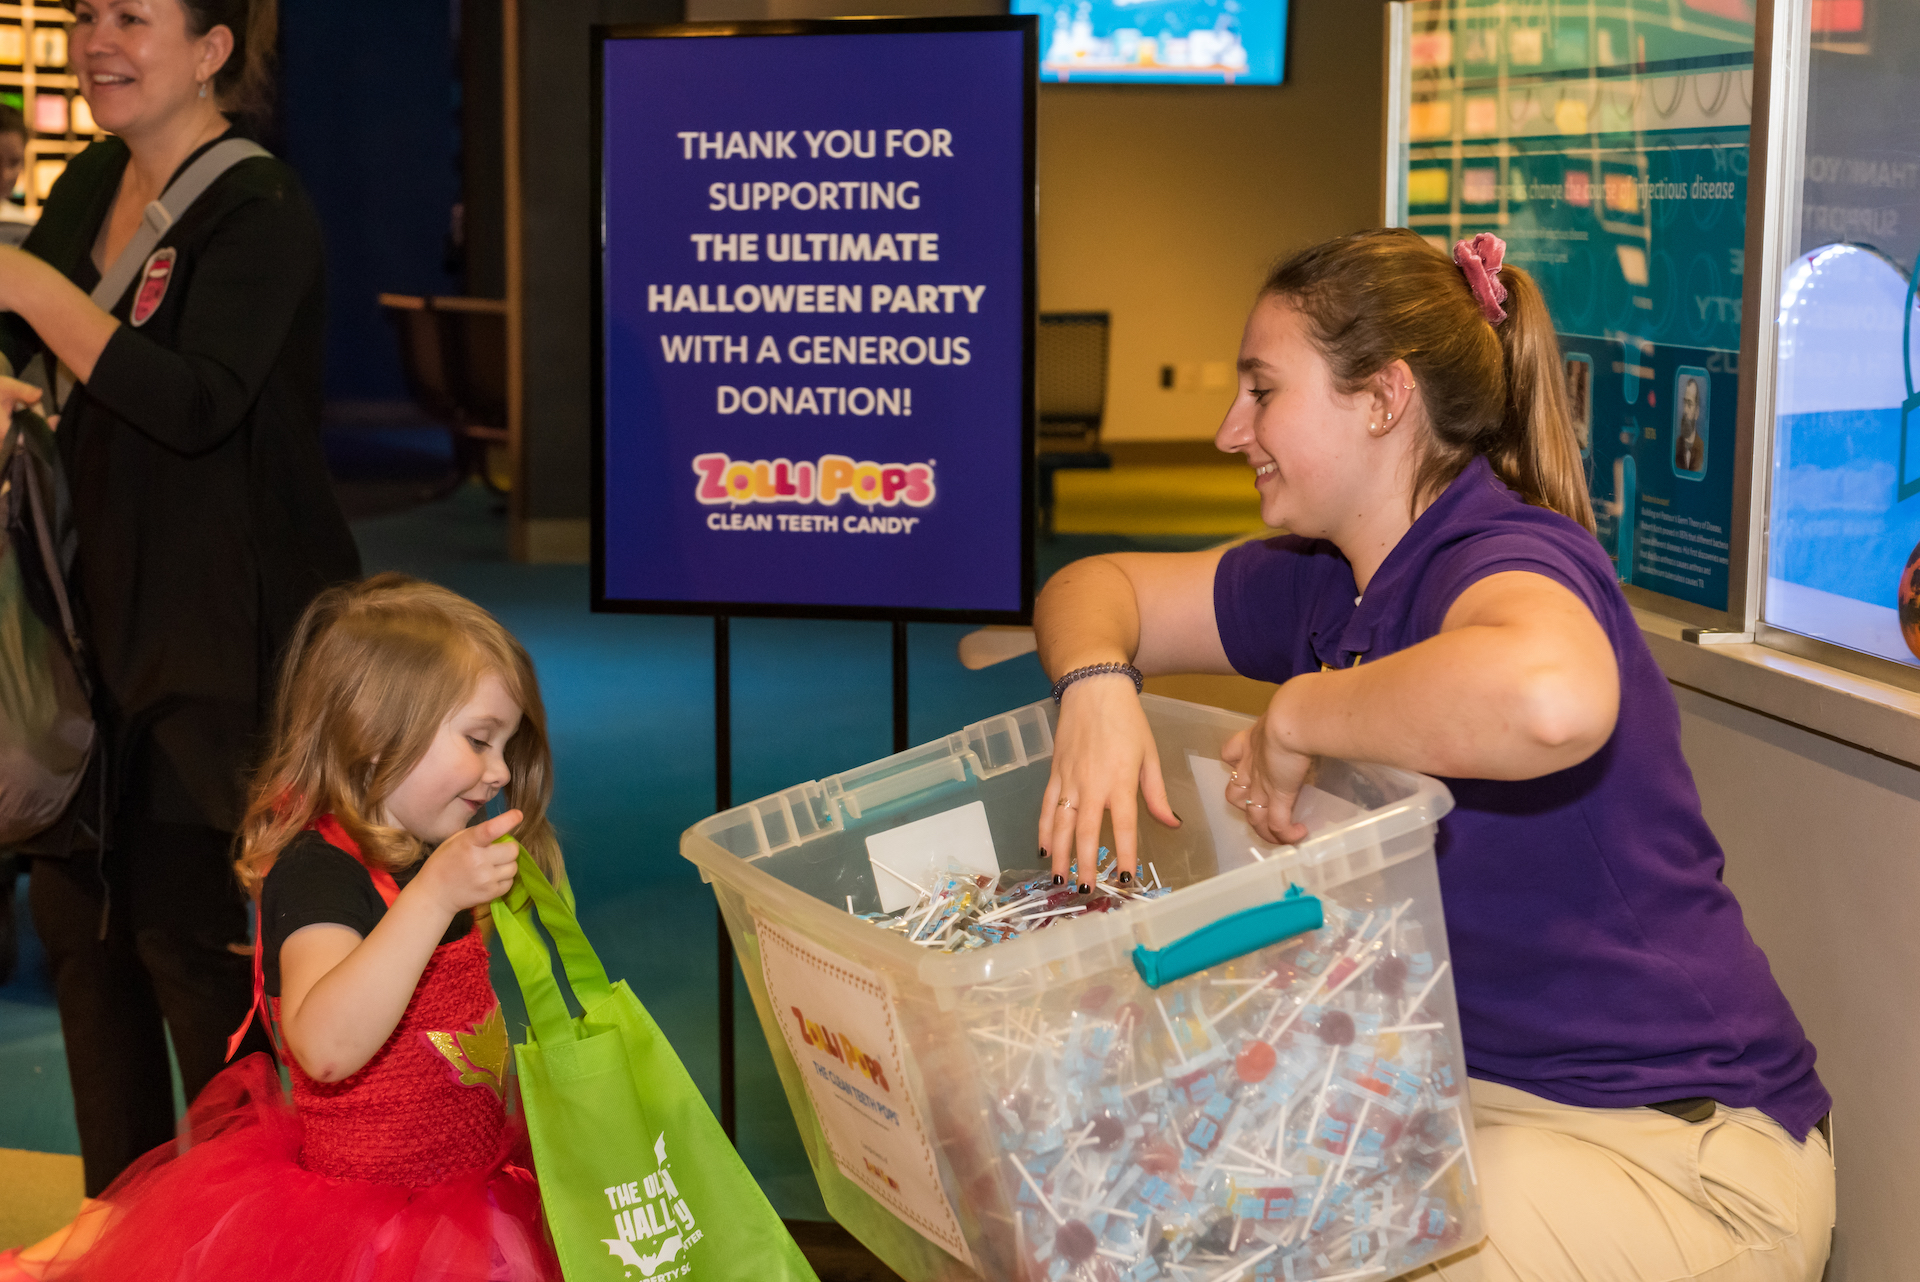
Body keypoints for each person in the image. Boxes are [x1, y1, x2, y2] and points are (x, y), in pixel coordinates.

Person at [1033, 229, 1834, 1281]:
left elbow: (1550, 698)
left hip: (1672, 1154)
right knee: (1136, 1201)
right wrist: (1096, 685)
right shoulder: (1327, 580)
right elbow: (1096, 588)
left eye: (1263, 391)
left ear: (1382, 399)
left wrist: (1298, 717)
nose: (1231, 430)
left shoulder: (1508, 552)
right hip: (1468, 1097)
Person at [0, 0, 359, 1200]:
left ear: (212, 52)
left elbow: (196, 402)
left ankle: (235, 1237)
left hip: (221, 669)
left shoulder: (263, 212)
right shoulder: (87, 179)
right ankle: (122, 1232)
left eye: (132, 17)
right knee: (87, 965)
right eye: (87, 13)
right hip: (82, 650)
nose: (100, 39)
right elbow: (32, 357)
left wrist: (36, 298)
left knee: (204, 982)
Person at [3, 574, 565, 1281]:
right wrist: (432, 900)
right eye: (480, 740)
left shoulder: (426, 850)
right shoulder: (320, 872)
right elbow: (328, 1046)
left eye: (507, 745)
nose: (498, 772)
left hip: (468, 1189)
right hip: (367, 1225)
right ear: (373, 733)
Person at [1675, 374, 1705, 473]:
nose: (1685, 410)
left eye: (1689, 404)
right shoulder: (1676, 446)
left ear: (1697, 412)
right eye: (1684, 403)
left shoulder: (1703, 450)